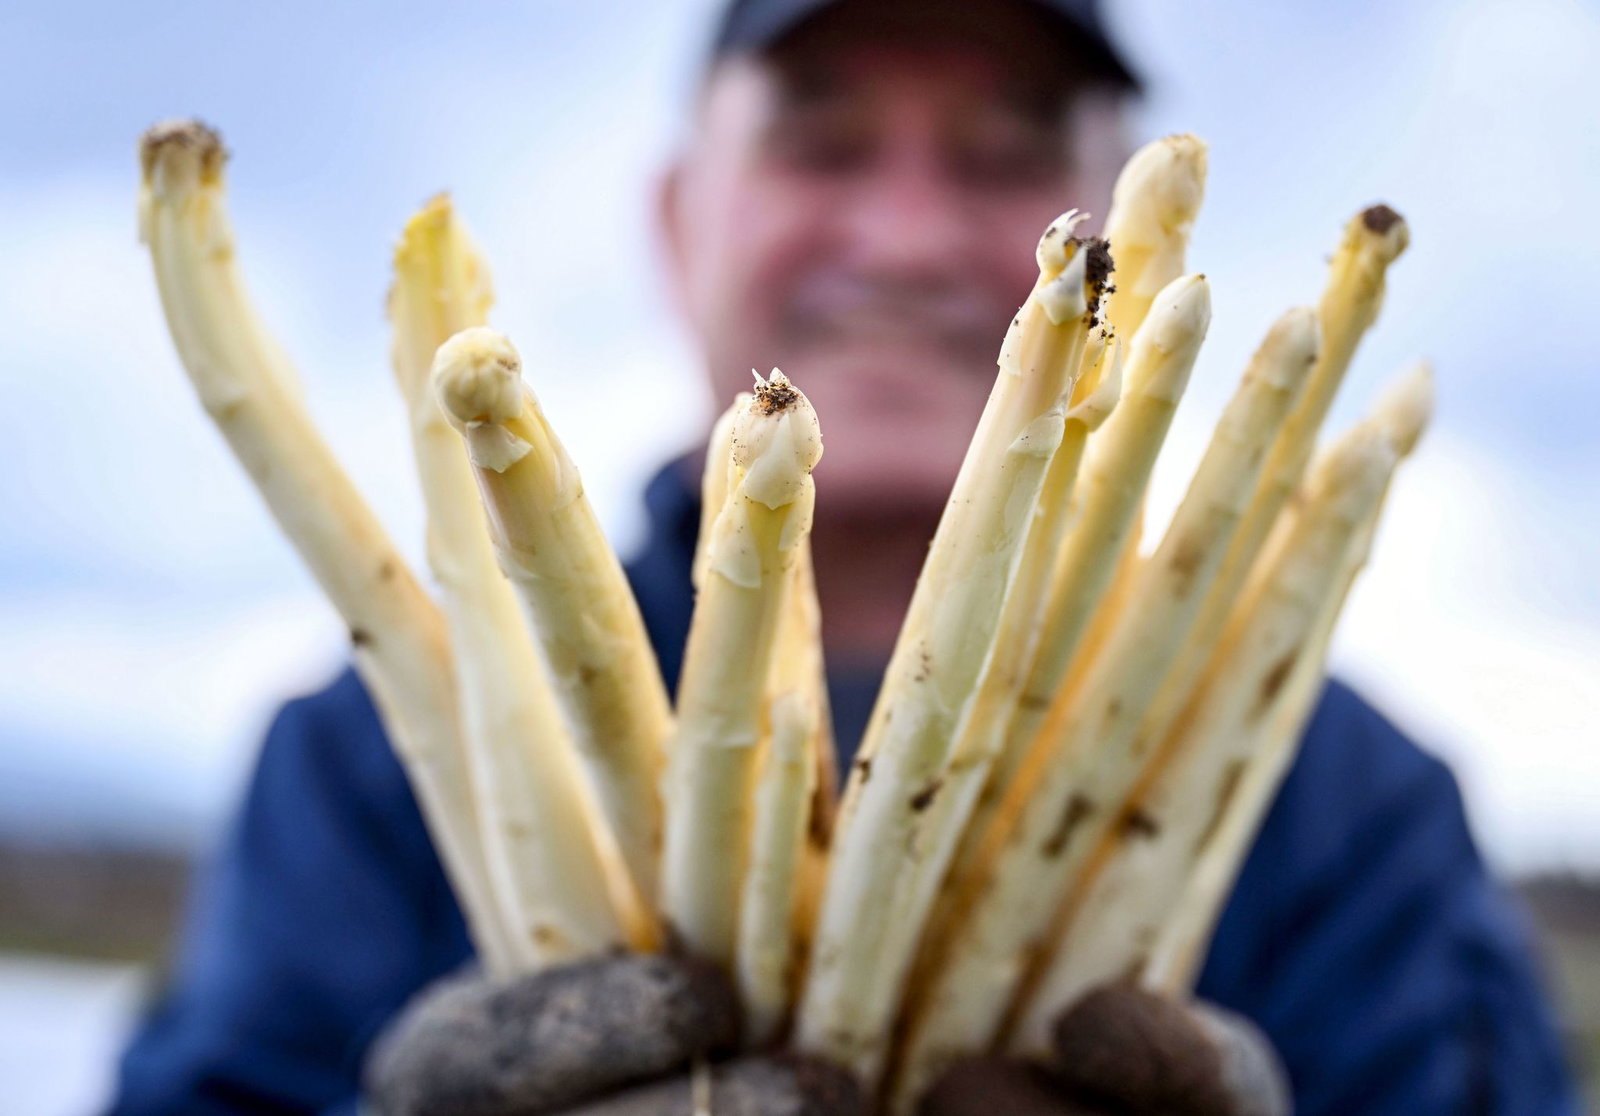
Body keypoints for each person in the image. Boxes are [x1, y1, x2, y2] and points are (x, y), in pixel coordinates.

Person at [111, 0, 1579, 1112]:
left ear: (1146, 260)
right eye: (823, 146)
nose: (907, 234)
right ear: (680, 222)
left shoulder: (1348, 810)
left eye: (1008, 161)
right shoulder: (365, 768)